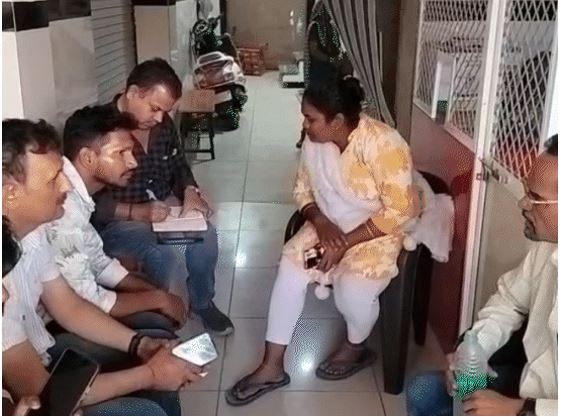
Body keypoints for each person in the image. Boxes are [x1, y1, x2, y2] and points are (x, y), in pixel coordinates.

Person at [226, 76, 420, 405]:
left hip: (375, 233)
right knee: (290, 270)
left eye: (311, 118)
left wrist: (345, 242)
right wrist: (321, 221)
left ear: (338, 121)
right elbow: (302, 189)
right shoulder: (314, 142)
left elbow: (400, 210)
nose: (305, 125)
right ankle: (271, 366)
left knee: (353, 291)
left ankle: (357, 347)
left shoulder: (384, 144)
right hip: (329, 227)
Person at [2, 118, 204, 415]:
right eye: (54, 179)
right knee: (146, 409)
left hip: (43, 348)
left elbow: (69, 306)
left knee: (158, 353)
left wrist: (141, 345)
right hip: (33, 387)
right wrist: (151, 374)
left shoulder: (32, 234)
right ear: (10, 193)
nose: (67, 184)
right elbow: (40, 393)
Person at [406, 135, 558, 416]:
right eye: (527, 190)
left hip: (540, 407)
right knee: (424, 391)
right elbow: (510, 301)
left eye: (536, 198)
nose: (523, 203)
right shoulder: (549, 248)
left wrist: (521, 410)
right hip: (531, 388)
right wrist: (474, 351)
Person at [92, 58, 234, 336]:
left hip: (162, 211)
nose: (159, 118)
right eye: (155, 108)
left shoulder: (162, 124)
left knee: (206, 235)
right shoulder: (100, 129)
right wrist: (137, 213)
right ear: (133, 93)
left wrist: (189, 191)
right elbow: (89, 201)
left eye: (165, 111)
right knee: (162, 253)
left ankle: (202, 303)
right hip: (119, 221)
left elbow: (179, 164)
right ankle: (155, 313)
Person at [45, 104, 187, 338]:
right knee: (157, 329)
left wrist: (158, 294)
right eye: (120, 153)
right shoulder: (64, 210)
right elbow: (86, 301)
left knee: (157, 315)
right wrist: (158, 299)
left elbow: (100, 264)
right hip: (53, 328)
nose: (133, 162)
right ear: (88, 158)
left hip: (79, 304)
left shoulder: (79, 198)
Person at [297, 0, 352, 148]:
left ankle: (327, 135)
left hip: (330, 73)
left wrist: (340, 61)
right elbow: (314, 50)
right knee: (315, 109)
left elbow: (336, 49)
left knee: (328, 109)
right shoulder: (316, 27)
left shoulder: (332, 27)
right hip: (318, 73)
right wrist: (330, 60)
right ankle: (305, 136)